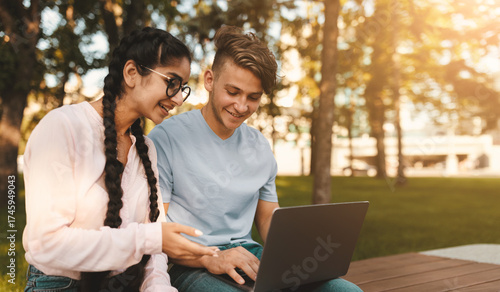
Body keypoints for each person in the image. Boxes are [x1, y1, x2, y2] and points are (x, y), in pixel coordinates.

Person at [149, 26, 362, 292]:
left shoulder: (260, 147)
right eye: (233, 91)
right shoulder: (166, 138)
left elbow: (267, 218)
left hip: (249, 254)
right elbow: (159, 227)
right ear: (209, 80)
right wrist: (211, 257)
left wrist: (299, 255)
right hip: (189, 262)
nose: (241, 106)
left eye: (253, 97)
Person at [22, 27, 218, 292]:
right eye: (171, 82)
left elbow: (155, 247)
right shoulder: (62, 127)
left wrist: (158, 286)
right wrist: (148, 239)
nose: (177, 99)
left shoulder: (146, 148)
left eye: (182, 88)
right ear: (131, 73)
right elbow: (46, 245)